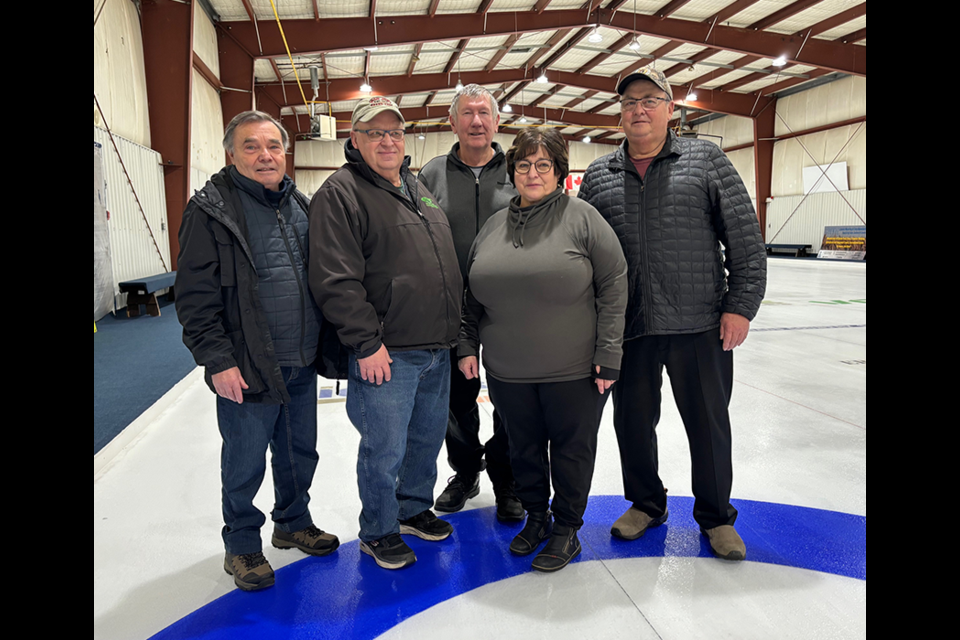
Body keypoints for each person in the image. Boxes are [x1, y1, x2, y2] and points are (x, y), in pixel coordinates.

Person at [578, 67, 767, 561]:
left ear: (670, 108)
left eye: (649, 99)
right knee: (633, 423)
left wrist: (740, 307)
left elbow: (744, 240)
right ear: (619, 114)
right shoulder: (599, 174)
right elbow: (580, 254)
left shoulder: (705, 159)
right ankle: (646, 503)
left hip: (700, 322)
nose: (638, 109)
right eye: (628, 102)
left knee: (707, 424)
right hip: (630, 326)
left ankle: (715, 516)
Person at [175, 110, 340, 592]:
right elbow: (194, 297)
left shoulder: (300, 205)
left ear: (285, 153)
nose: (265, 155)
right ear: (231, 154)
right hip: (246, 365)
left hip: (301, 360)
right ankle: (243, 545)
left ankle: (292, 522)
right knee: (244, 461)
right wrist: (217, 359)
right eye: (251, 146)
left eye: (273, 146)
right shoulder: (210, 211)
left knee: (298, 452)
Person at [459, 127, 627, 572]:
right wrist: (465, 345)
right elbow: (471, 296)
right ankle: (536, 517)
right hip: (509, 370)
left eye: (543, 165)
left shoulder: (583, 217)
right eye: (523, 165)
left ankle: (566, 527)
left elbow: (614, 285)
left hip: (573, 369)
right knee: (523, 449)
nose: (532, 173)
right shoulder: (494, 226)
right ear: (512, 172)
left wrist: (610, 354)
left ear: (559, 172)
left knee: (571, 450)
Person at [308, 97, 463, 570]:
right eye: (375, 133)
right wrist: (367, 343)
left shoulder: (416, 187)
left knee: (425, 438)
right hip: (387, 351)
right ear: (354, 140)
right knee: (384, 448)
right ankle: (378, 529)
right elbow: (335, 279)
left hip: (436, 345)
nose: (388, 141)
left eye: (394, 132)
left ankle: (413, 507)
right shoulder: (341, 192)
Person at [418, 84, 521, 521]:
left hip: (508, 308)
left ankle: (508, 479)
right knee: (455, 403)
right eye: (467, 113)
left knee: (510, 399)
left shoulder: (518, 169)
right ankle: (465, 471)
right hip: (447, 309)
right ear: (453, 122)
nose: (476, 121)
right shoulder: (430, 174)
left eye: (485, 113)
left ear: (497, 122)